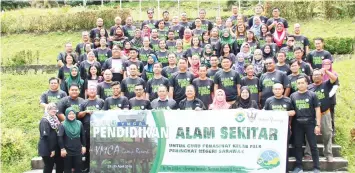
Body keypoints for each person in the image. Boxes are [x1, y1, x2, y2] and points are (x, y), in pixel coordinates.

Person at [304, 68, 338, 162]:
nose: (316, 76)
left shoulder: (326, 84)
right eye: (314, 75)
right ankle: (308, 153)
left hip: (325, 113)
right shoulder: (309, 87)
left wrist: (326, 71)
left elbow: (334, 79)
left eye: (318, 74)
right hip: (312, 115)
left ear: (322, 76)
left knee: (327, 133)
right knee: (310, 135)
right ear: (311, 77)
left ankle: (328, 154)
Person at [290, 76, 321, 173]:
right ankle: (298, 166)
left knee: (313, 146)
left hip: (310, 123)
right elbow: (292, 111)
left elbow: (317, 110)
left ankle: (316, 167)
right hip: (297, 124)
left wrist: (318, 125)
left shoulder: (312, 95)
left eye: (302, 82)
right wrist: (290, 124)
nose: (300, 84)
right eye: (298, 83)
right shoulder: (293, 96)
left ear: (307, 83)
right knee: (297, 145)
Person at [263, 83, 296, 172]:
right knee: (272, 149)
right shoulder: (269, 100)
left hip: (284, 130)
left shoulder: (288, 100)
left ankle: (285, 169)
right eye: (275, 89)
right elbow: (264, 113)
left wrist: (285, 113)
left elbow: (293, 112)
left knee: (285, 149)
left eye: (279, 89)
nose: (277, 90)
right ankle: (272, 168)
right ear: (273, 90)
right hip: (272, 131)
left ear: (282, 90)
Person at [78, 85, 104, 172]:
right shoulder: (83, 102)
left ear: (96, 91)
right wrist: (86, 112)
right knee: (87, 148)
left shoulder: (101, 101)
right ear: (87, 92)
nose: (92, 91)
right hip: (86, 129)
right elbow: (78, 115)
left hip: (99, 130)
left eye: (94, 89)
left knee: (99, 148)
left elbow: (106, 113)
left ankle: (99, 167)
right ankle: (87, 168)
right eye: (90, 90)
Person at [58, 107, 86, 173]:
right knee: (67, 169)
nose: (71, 115)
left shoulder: (79, 123)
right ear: (66, 115)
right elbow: (60, 137)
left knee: (78, 168)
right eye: (69, 114)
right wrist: (62, 149)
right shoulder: (63, 124)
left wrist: (84, 146)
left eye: (73, 114)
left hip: (78, 150)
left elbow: (83, 135)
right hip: (67, 150)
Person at [38, 103, 63, 173]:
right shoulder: (45, 120)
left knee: (60, 163)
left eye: (55, 109)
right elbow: (46, 136)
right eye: (51, 109)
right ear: (47, 110)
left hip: (55, 146)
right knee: (49, 165)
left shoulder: (55, 119)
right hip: (47, 148)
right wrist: (51, 150)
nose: (54, 110)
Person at [322, 59, 339, 134]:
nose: (326, 66)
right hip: (321, 97)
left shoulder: (334, 73)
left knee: (330, 115)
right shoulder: (320, 72)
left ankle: (332, 130)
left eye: (328, 64)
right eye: (325, 64)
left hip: (330, 98)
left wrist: (328, 96)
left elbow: (335, 86)